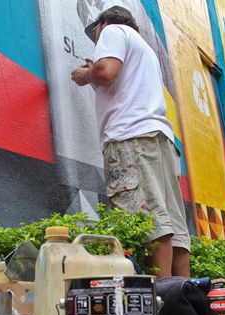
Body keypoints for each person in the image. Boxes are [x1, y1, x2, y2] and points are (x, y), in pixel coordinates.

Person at [70, 6, 190, 279]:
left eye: (96, 34)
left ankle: (160, 307)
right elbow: (117, 82)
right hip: (158, 140)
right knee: (172, 225)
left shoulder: (112, 30)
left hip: (131, 140)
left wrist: (85, 75)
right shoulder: (145, 50)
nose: (98, 40)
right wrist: (95, 74)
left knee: (147, 221)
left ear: (104, 23)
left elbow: (106, 71)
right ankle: (182, 302)